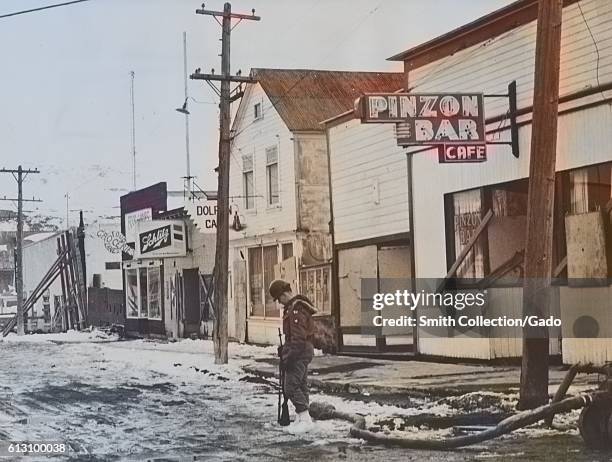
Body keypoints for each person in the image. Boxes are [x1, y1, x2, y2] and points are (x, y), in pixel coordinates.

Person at [269, 279, 316, 429]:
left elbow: (298, 339)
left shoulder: (296, 309)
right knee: (300, 384)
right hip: (302, 351)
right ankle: (303, 417)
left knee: (290, 387)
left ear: (283, 294)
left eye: (279, 299)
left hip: (299, 353)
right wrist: (283, 350)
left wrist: (288, 357)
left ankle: (304, 418)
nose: (280, 303)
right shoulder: (295, 307)